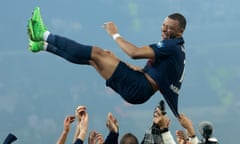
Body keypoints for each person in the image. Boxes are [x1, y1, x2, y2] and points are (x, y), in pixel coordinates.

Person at [27, 7, 187, 117]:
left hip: (139, 87)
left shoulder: (171, 46)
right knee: (93, 59)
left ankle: (44, 34)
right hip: (139, 88)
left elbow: (134, 53)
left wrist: (115, 34)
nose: (164, 30)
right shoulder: (176, 49)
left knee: (96, 53)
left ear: (180, 32)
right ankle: (43, 46)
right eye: (163, 25)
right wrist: (118, 61)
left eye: (169, 28)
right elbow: (151, 74)